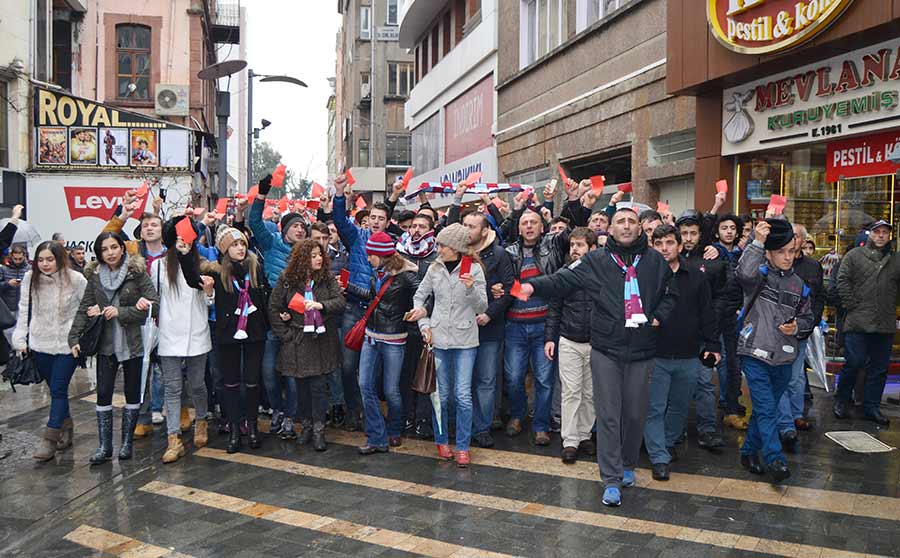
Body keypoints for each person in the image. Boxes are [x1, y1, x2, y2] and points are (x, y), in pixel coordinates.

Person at [518, 207, 677, 507]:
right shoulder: (595, 260)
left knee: (634, 414)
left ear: (640, 229)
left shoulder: (655, 261)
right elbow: (562, 280)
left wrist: (659, 316)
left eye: (632, 221)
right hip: (605, 348)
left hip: (641, 350)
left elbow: (671, 292)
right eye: (621, 221)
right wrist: (532, 286)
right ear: (611, 230)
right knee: (608, 414)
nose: (627, 226)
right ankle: (611, 478)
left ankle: (628, 464)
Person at [68, 232, 158, 465]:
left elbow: (154, 304)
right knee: (104, 393)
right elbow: (84, 307)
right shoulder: (95, 276)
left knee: (131, 392)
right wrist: (74, 337)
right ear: (99, 253)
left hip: (132, 343)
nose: (110, 253)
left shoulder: (136, 273)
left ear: (122, 248)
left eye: (114, 247)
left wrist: (123, 312)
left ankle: (126, 442)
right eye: (105, 249)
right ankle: (105, 446)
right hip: (105, 344)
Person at [735, 219, 813, 483]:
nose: (788, 257)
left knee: (762, 410)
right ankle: (774, 459)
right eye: (781, 252)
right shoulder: (758, 274)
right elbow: (743, 272)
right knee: (768, 409)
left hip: (785, 356)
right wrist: (756, 241)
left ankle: (747, 452)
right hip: (754, 352)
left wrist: (798, 327)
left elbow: (807, 316)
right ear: (769, 253)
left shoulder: (800, 285)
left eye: (791, 251)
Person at [644, 225, 720, 481]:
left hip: (688, 354)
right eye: (659, 243)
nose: (664, 248)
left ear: (679, 245)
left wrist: (712, 345)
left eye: (669, 243)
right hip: (655, 354)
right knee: (654, 408)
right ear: (652, 246)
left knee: (678, 406)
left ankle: (666, 443)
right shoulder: (645, 275)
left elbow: (707, 313)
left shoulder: (696, 277)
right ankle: (659, 457)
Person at [409, 223, 488, 467]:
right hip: (438, 338)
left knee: (462, 396)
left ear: (455, 247)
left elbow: (482, 306)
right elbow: (419, 298)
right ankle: (442, 441)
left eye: (442, 245)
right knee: (440, 396)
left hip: (466, 341)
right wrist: (424, 326)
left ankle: (463, 446)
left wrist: (471, 288)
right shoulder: (434, 268)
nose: (439, 248)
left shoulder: (474, 269)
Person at [331, 174, 398, 431]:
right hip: (353, 308)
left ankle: (376, 409)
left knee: (377, 368)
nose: (377, 222)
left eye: (382, 219)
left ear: (388, 222)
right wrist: (339, 194)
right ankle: (353, 409)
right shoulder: (356, 236)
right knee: (348, 366)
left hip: (380, 311)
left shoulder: (393, 245)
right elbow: (338, 220)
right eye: (373, 218)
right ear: (367, 220)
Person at [13, 242, 87, 461]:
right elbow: (24, 309)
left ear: (59, 259)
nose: (45, 264)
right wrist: (20, 338)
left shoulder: (76, 279)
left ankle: (50, 437)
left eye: (50, 259)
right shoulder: (29, 279)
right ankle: (68, 427)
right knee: (56, 390)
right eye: (41, 260)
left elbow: (88, 307)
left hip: (68, 345)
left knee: (58, 388)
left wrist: (80, 335)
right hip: (40, 343)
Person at [269, 240, 345, 451]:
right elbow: (274, 307)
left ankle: (320, 429)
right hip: (298, 341)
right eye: (313, 256)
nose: (318, 258)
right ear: (303, 259)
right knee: (301, 388)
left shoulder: (327, 278)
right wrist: (285, 335)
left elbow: (340, 303)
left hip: (321, 340)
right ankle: (307, 426)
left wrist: (322, 306)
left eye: (319, 254)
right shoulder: (287, 280)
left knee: (319, 387)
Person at [503, 198, 567, 444]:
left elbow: (572, 234)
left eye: (534, 222)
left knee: (543, 379)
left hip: (544, 326)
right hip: (515, 326)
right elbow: (507, 283)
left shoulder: (553, 246)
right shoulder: (509, 252)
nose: (529, 226)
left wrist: (554, 214)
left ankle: (541, 425)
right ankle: (518, 415)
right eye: (525, 223)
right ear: (519, 229)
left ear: (543, 227)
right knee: (513, 377)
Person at [249, 174, 308, 438]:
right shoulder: (271, 244)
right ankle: (277, 410)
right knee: (269, 372)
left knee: (293, 375)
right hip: (273, 321)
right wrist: (261, 194)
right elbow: (253, 223)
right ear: (284, 229)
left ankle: (291, 417)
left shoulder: (309, 254)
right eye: (295, 226)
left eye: (303, 228)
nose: (299, 230)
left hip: (297, 322)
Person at [102, 206, 169, 437]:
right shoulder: (131, 250)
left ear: (163, 229)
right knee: (141, 368)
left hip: (168, 319)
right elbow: (105, 236)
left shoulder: (173, 254)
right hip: (137, 320)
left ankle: (177, 411)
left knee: (171, 370)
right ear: (140, 231)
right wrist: (123, 216)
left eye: (154, 224)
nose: (149, 228)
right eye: (146, 225)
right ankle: (143, 416)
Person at [152, 217, 215, 464]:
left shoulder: (203, 264)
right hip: (170, 334)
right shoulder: (158, 267)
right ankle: (173, 438)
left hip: (197, 333)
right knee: (172, 387)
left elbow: (210, 301)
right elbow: (156, 297)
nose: (181, 241)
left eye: (184, 236)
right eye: (176, 237)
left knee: (197, 384)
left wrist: (209, 292)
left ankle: (201, 421)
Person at [207, 226, 270, 454]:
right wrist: (185, 253)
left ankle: (252, 427)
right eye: (234, 245)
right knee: (231, 383)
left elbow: (265, 296)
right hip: (228, 332)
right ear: (225, 249)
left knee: (253, 382)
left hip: (254, 332)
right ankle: (234, 429)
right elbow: (192, 275)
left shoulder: (255, 267)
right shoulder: (217, 272)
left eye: (242, 243)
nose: (240, 248)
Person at [356, 232, 420, 454]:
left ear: (381, 255)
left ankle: (394, 429)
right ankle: (376, 436)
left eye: (371, 254)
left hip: (394, 339)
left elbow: (424, 296)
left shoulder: (407, 275)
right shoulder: (377, 272)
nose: (368, 258)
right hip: (371, 336)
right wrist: (350, 288)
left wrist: (418, 312)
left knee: (391, 390)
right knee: (365, 385)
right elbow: (375, 298)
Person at [833, 220, 900, 426]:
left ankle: (872, 407)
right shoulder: (854, 255)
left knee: (880, 368)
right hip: (858, 321)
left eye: (885, 233)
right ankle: (842, 400)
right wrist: (851, 304)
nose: (881, 236)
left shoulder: (896, 259)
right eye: (877, 232)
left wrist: (893, 307)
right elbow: (841, 281)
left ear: (889, 236)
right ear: (870, 234)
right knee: (854, 362)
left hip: (884, 322)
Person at [460, 210, 514, 448]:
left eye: (472, 226)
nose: (466, 230)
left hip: (489, 328)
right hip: (461, 327)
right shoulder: (457, 253)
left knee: (486, 380)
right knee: (464, 382)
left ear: (484, 231)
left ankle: (481, 428)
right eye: (464, 225)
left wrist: (489, 313)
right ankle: (463, 425)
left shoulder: (500, 255)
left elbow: (510, 289)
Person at [545, 227, 597, 463]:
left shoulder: (603, 274)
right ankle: (570, 441)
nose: (574, 249)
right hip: (569, 340)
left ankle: (585, 434)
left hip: (597, 343)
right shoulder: (564, 274)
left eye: (580, 245)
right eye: (572, 245)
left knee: (590, 393)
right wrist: (549, 338)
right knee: (571, 392)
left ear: (592, 248)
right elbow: (554, 309)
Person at [676, 211, 727, 450]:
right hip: (675, 335)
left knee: (705, 382)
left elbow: (720, 296)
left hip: (703, 335)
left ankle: (707, 429)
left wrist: (711, 331)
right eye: (684, 233)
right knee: (676, 385)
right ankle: (675, 430)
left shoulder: (712, 260)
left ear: (700, 235)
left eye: (693, 233)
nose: (688, 238)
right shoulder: (670, 260)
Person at [776, 224, 823, 447]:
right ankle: (785, 423)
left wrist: (809, 323)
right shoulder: (775, 263)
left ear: (803, 241)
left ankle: (796, 415)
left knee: (796, 378)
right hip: (777, 332)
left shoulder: (813, 266)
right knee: (782, 378)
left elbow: (819, 298)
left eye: (796, 237)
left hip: (801, 332)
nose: (793, 240)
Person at [396, 212, 439, 438]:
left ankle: (423, 419)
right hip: (403, 322)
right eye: (413, 226)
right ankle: (406, 416)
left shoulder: (437, 255)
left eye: (422, 226)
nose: (416, 230)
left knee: (426, 372)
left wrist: (425, 310)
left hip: (429, 322)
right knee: (406, 373)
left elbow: (438, 290)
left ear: (431, 229)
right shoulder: (400, 252)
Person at [710, 213, 748, 430]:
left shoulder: (743, 255)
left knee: (733, 361)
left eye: (732, 228)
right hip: (716, 313)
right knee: (722, 359)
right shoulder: (713, 252)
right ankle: (727, 403)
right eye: (724, 227)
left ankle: (731, 404)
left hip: (735, 313)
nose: (729, 231)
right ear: (717, 231)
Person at [0, 244, 29, 343]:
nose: (17, 261)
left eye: (20, 258)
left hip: (24, 306)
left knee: (23, 331)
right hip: (8, 306)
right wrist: (8, 283)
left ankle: (21, 353)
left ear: (24, 256)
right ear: (11, 256)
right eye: (15, 258)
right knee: (8, 332)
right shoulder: (4, 269)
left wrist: (25, 284)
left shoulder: (29, 269)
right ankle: (12, 351)